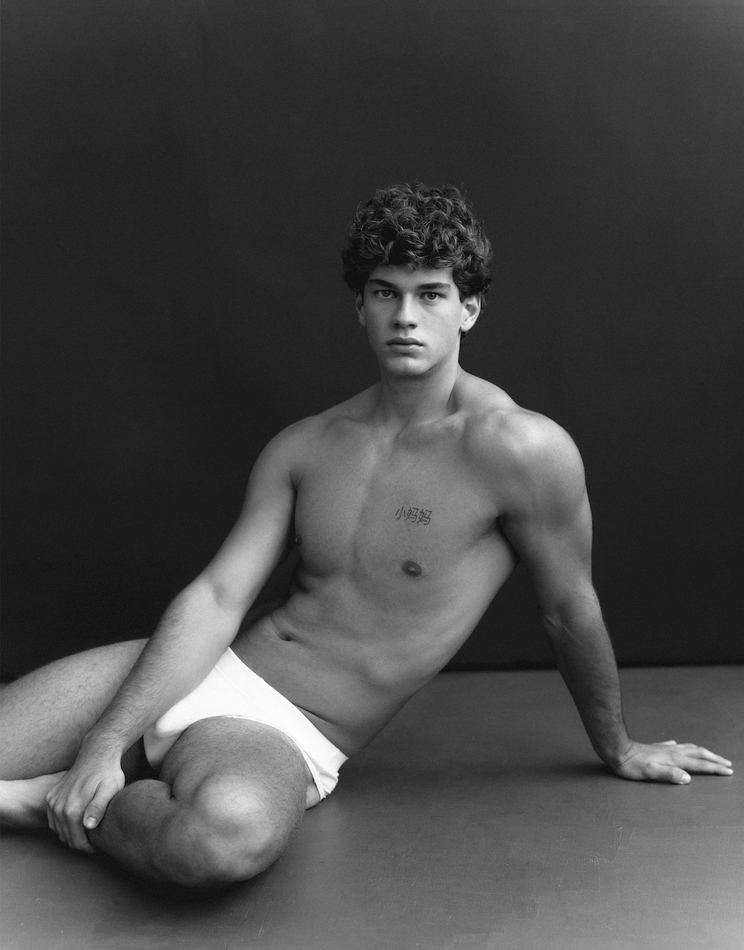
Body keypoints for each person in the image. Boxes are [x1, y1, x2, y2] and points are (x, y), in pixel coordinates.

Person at [0, 183, 732, 888]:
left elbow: (569, 608)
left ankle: (46, 803)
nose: (405, 316)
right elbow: (218, 596)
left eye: (431, 294)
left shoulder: (520, 450)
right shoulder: (306, 446)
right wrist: (105, 736)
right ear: (361, 306)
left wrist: (618, 746)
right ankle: (88, 777)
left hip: (280, 726)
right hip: (187, 665)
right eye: (386, 293)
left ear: (469, 309)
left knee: (222, 839)